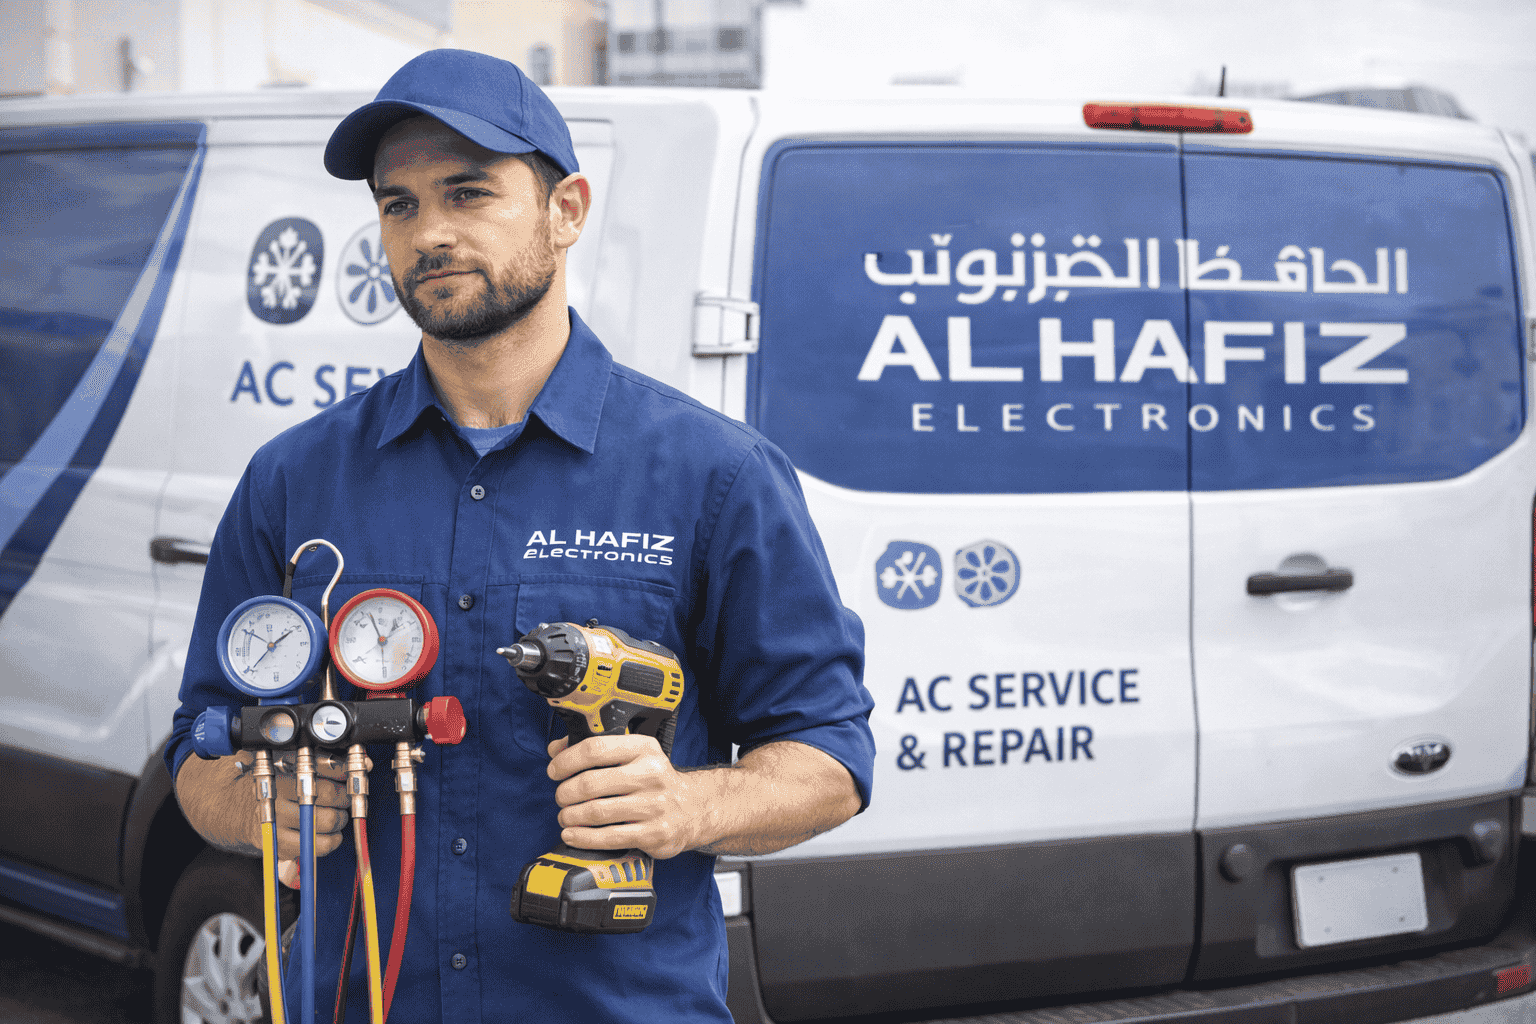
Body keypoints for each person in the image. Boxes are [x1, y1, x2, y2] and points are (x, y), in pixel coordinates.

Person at [166, 48, 875, 1023]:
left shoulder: (715, 475)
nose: (429, 232)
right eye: (400, 204)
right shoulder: (294, 479)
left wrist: (688, 806)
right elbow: (198, 747)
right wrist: (257, 807)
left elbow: (830, 758)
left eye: (468, 192)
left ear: (566, 210)